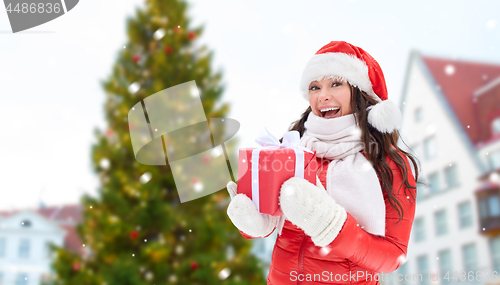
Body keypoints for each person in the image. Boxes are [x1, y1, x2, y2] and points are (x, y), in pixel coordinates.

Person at [226, 41, 420, 285]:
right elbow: (274, 221)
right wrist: (256, 223)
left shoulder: (388, 162)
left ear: (360, 93)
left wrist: (331, 226)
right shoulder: (292, 149)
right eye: (315, 87)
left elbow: (393, 256)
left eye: (336, 83)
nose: (323, 95)